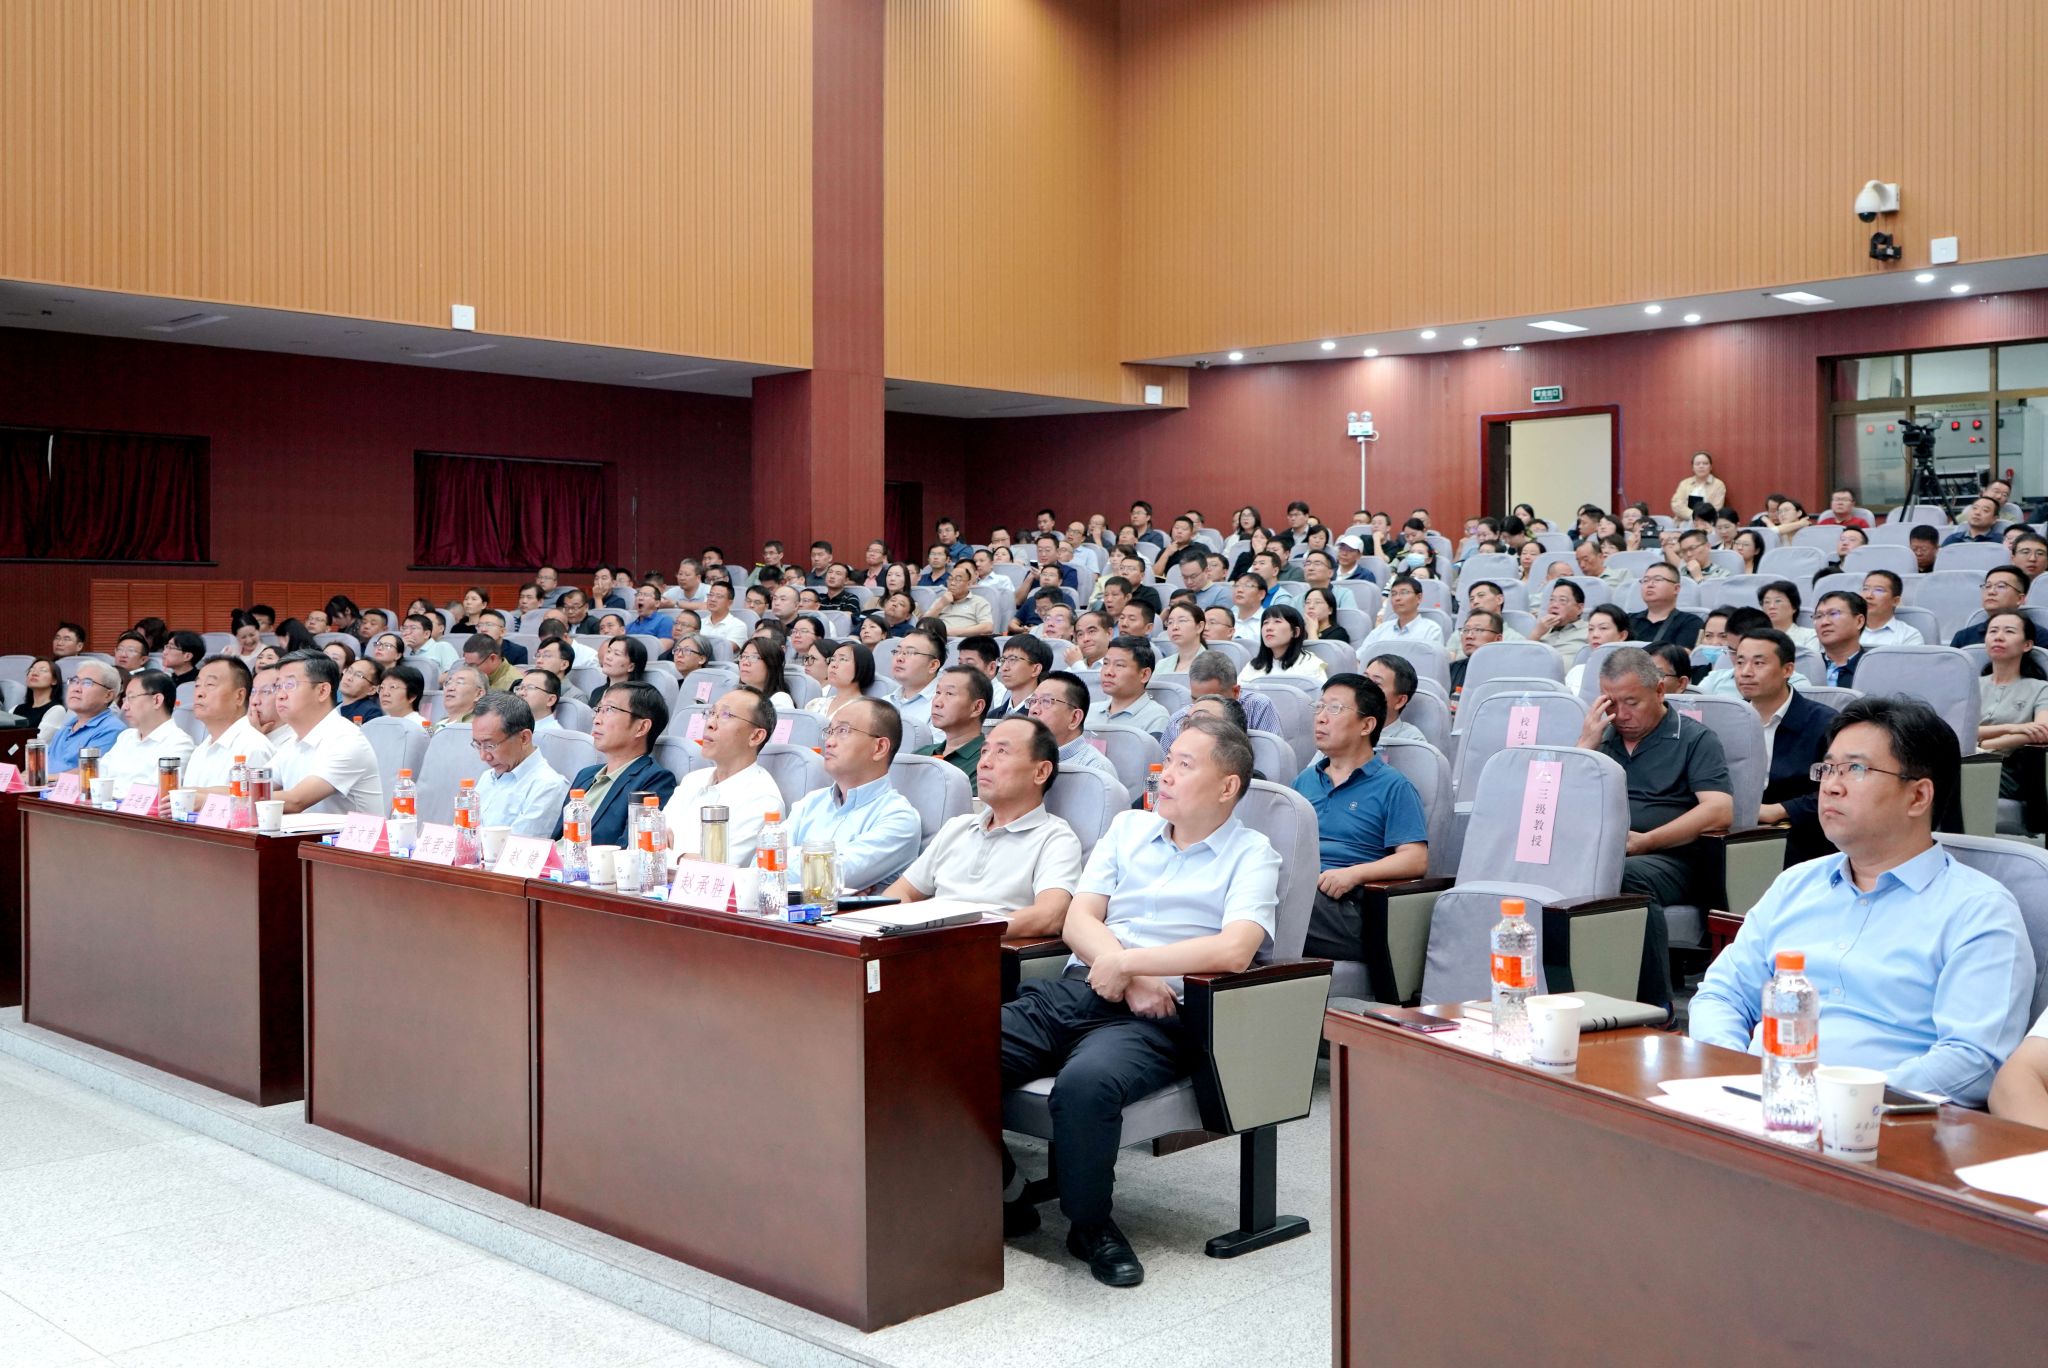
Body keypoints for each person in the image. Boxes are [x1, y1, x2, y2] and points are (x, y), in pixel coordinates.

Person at [999, 715, 1279, 1286]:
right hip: (1080, 990)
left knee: (1087, 1084)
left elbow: (1235, 949)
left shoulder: (1252, 853)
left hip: (1160, 1016)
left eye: (1183, 764)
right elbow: (1079, 918)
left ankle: (1090, 1226)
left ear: (1227, 786)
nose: (1164, 774)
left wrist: (1132, 966)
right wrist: (1123, 972)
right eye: (1166, 760)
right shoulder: (1128, 828)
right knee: (947, 1049)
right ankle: (1003, 1188)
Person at [1692, 696, 2032, 1104]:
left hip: (1885, 1124)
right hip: (1758, 1105)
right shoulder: (1796, 885)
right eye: (1828, 768)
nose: (1831, 786)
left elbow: (1973, 1061)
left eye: (1855, 769)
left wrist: (1844, 1100)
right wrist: (1736, 1071)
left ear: (1918, 796)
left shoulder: (1979, 910)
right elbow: (1721, 995)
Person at [1576, 647, 1734, 1009]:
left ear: (1660, 691)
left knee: (1623, 875)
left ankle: (1654, 1009)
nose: (1621, 714)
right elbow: (1565, 805)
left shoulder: (1695, 739)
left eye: (1632, 702)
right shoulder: (1602, 739)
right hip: (1604, 853)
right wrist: (1585, 746)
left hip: (1675, 858)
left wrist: (1646, 842)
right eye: (1611, 703)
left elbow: (1719, 810)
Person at [888, 715, 1084, 936]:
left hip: (983, 947)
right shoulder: (957, 827)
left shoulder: (1055, 838)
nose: (984, 763)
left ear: (1040, 772)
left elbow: (1050, 915)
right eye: (984, 751)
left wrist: (960, 934)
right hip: (924, 942)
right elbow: (901, 892)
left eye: (1002, 752)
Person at [1293, 672, 1429, 959]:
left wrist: (1353, 874)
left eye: (1334, 708)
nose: (1320, 718)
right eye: (1319, 707)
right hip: (1299, 890)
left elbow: (1415, 859)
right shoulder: (1305, 780)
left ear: (1367, 725)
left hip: (1347, 906)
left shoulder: (1394, 786)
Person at [786, 698, 922, 891]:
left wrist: (788, 859)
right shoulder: (810, 802)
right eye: (830, 731)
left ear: (879, 748)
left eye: (843, 731)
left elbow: (827, 878)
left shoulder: (899, 818)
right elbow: (760, 861)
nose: (829, 742)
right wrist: (827, 871)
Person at [1731, 628, 1835, 866]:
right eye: (1740, 662)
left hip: (1801, 836)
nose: (1745, 672)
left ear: (1787, 670)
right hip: (1730, 828)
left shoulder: (1824, 723)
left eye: (1759, 663)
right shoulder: (1729, 720)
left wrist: (1779, 810)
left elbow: (1837, 790)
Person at [660, 685, 784, 867]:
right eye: (711, 713)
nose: (710, 723)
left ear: (755, 736)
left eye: (726, 715)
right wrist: (682, 857)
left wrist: (669, 856)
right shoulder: (693, 780)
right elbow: (647, 843)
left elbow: (716, 868)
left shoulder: (764, 800)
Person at [550, 680, 676, 848]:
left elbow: (629, 849)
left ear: (641, 727)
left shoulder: (655, 780)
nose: (596, 720)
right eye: (598, 710)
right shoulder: (586, 775)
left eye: (609, 710)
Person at [270, 651, 384, 816]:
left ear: (322, 691)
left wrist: (239, 797)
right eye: (278, 686)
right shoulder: (293, 742)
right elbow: (256, 784)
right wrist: (236, 792)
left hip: (348, 834)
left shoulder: (347, 740)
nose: (280, 695)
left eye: (290, 685)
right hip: (305, 832)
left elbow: (296, 801)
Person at [1976, 609, 2048, 834]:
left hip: (2007, 769)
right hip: (1964, 759)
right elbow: (1958, 731)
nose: (1998, 637)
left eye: (2009, 631)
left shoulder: (2040, 688)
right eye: (1993, 631)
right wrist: (2013, 728)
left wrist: (1986, 745)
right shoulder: (1971, 684)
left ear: (2027, 645)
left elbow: (2043, 731)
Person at [468, 691, 570, 837]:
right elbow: (463, 831)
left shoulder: (549, 786)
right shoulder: (488, 777)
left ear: (524, 738)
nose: (483, 756)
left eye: (490, 745)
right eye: (478, 745)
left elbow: (517, 846)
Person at [1029, 671, 1128, 801]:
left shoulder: (1096, 770)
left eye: (1046, 701)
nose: (1033, 709)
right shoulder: (1023, 756)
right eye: (1033, 701)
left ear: (1074, 718)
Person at [181, 655, 275, 789]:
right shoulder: (201, 750)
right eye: (197, 685)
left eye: (210, 684)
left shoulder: (254, 748)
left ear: (239, 696)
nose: (199, 693)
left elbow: (251, 801)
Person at [98, 668, 195, 791]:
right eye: (125, 699)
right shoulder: (125, 737)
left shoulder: (179, 744)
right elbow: (100, 776)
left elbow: (156, 792)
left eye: (131, 697)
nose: (124, 707)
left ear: (156, 701)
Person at [1158, 651, 1280, 749]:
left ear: (1236, 691)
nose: (1200, 708)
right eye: (1195, 699)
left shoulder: (1258, 706)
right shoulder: (1179, 720)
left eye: (1212, 700)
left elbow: (1269, 759)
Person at [917, 666, 992, 793]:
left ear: (977, 707)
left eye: (949, 694)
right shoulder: (921, 754)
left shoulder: (987, 762)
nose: (937, 703)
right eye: (938, 692)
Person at [47, 659, 128, 774]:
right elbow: (43, 764)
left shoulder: (112, 729)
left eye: (87, 683)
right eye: (74, 681)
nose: (76, 688)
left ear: (108, 695)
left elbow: (89, 771)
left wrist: (42, 779)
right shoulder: (68, 726)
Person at [1088, 636, 1169, 735]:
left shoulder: (1156, 718)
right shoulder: (1090, 711)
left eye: (1119, 665)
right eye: (1105, 663)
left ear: (1144, 675)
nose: (1108, 672)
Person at [1627, 563, 1703, 649]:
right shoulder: (1628, 620)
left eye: (1657, 579)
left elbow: (1682, 655)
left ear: (1676, 589)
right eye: (1645, 580)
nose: (1650, 585)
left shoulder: (1690, 622)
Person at [1951, 566, 2029, 648]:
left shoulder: (2035, 635)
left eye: (2001, 586)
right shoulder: (1963, 637)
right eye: (1987, 586)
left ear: (2020, 599)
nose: (1991, 592)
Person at [1562, 605, 1630, 696]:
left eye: (1603, 628)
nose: (1595, 635)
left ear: (1622, 636)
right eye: (1591, 629)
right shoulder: (1577, 672)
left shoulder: (1634, 673)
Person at [1362, 575, 1443, 648]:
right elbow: (1361, 656)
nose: (1397, 598)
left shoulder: (1431, 630)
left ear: (1419, 598)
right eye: (1393, 594)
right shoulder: (1381, 630)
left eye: (1404, 593)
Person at [1362, 654, 1425, 745]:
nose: (1363, 687)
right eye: (1364, 679)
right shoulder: (1345, 722)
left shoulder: (1411, 741)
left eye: (1376, 684)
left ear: (1400, 701)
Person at [1528, 579, 1591, 669]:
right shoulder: (1541, 629)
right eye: (1552, 600)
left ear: (1579, 608)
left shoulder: (1590, 630)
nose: (1554, 605)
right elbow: (1520, 659)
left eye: (1562, 600)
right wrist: (1537, 634)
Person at [1812, 589, 1867, 687]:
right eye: (1819, 616)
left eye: (1833, 614)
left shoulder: (1873, 668)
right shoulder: (1807, 666)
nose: (1824, 622)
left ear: (1859, 621)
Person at [1449, 611, 1503, 705]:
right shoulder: (1451, 669)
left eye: (1478, 630)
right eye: (1465, 630)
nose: (1469, 636)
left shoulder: (1509, 674)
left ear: (1498, 639)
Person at [1858, 571, 1922, 647]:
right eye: (1865, 589)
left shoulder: (1909, 635)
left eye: (1879, 590)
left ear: (1895, 601)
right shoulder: (1847, 628)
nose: (1869, 596)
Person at [1669, 450, 1727, 520]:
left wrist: (1701, 519)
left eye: (1705, 463)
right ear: (1693, 468)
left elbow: (1716, 508)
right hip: (1684, 521)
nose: (1701, 466)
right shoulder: (1685, 483)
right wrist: (1693, 516)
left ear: (1711, 467)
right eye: (1697, 464)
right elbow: (1676, 505)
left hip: (1707, 522)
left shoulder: (1718, 485)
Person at [16, 657, 63, 731]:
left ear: (54, 680)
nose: (34, 673)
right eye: (31, 670)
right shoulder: (15, 709)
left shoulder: (57, 710)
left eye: (43, 670)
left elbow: (40, 737)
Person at [335, 657, 384, 724]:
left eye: (359, 675)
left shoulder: (371, 713)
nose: (349, 678)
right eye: (349, 671)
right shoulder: (334, 707)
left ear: (372, 690)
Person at [438, 665, 486, 731]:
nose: (450, 688)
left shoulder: (476, 728)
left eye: (459, 682)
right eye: (448, 683)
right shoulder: (439, 724)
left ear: (478, 694)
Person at [515, 668, 563, 732]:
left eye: (530, 687)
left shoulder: (554, 733)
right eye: (520, 688)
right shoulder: (512, 725)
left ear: (550, 700)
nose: (521, 693)